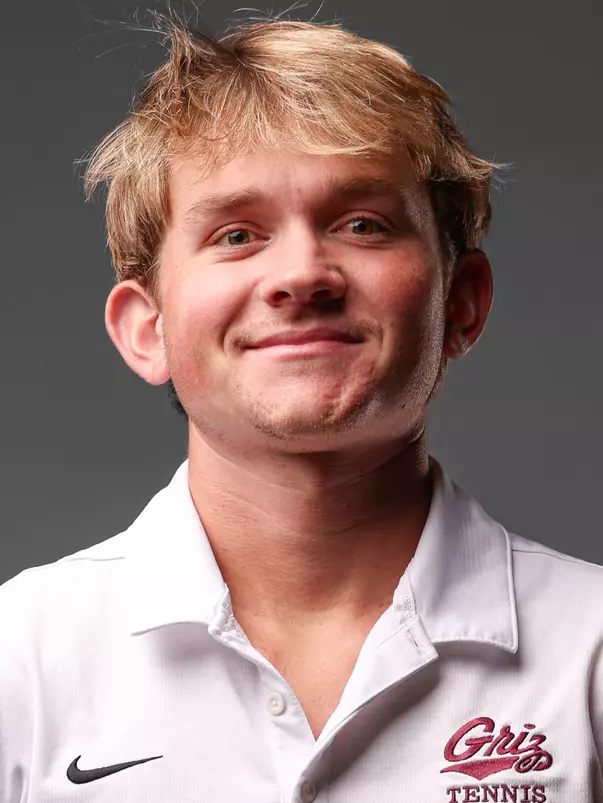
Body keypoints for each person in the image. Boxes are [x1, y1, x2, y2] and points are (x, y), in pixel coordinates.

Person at [1, 12, 602, 803]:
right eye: (237, 233)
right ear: (146, 329)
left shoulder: (589, 649)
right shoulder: (18, 658)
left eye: (362, 224)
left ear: (460, 302)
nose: (302, 274)